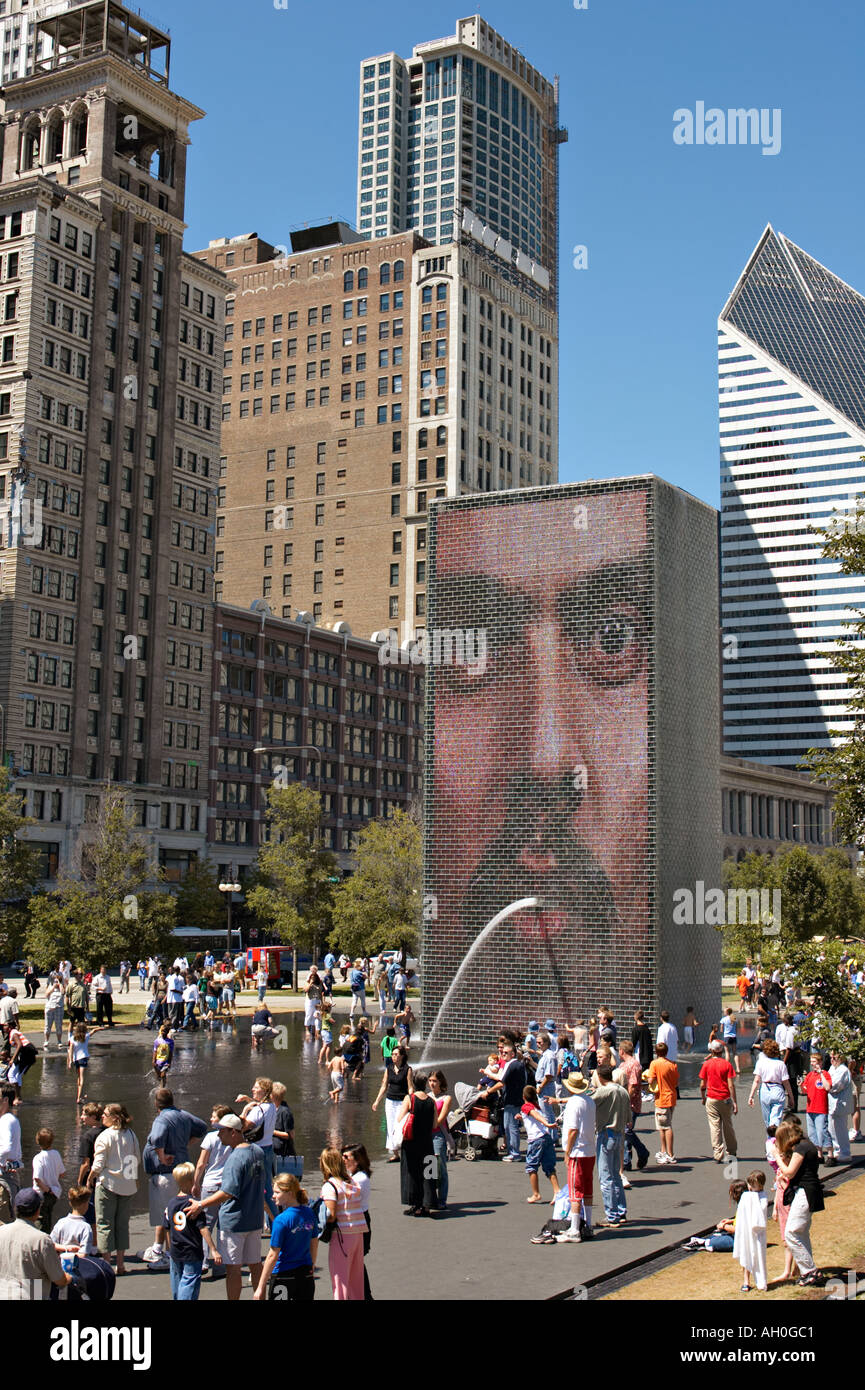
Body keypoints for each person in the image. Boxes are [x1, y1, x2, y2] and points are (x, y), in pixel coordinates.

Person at [186, 1112, 264, 1300]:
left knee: (233, 1269)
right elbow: (263, 1186)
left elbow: (228, 1191)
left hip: (234, 1222)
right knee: (255, 1264)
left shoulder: (235, 1158)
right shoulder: (259, 1152)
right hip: (254, 1219)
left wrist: (201, 1204)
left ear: (233, 1132)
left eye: (222, 1132)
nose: (219, 1135)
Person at [142, 1088, 208, 1270]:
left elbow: (156, 1138)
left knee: (168, 1215)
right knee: (175, 1212)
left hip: (166, 1172)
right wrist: (186, 1143)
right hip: (180, 1171)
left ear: (156, 1104)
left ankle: (170, 1256)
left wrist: (162, 1157)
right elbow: (202, 1127)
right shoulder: (183, 1114)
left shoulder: (162, 1118)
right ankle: (161, 1250)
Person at [88, 1102, 140, 1276]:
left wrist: (90, 1177)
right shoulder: (131, 1134)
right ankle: (121, 1264)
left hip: (107, 1184)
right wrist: (133, 1180)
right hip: (127, 1184)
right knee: (122, 1224)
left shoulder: (104, 1136)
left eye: (106, 1114)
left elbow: (98, 1163)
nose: (102, 1116)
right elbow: (135, 1159)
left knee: (104, 1223)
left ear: (115, 1118)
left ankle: (106, 1264)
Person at [774, 1116, 823, 1287]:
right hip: (809, 1191)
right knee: (801, 1232)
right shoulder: (805, 1144)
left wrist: (777, 1158)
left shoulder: (801, 1148)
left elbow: (789, 1172)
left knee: (791, 1233)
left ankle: (810, 1270)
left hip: (805, 1193)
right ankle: (806, 1271)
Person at [254, 1172, 317, 1301]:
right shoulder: (309, 1213)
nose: (273, 1196)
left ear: (289, 1193)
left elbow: (273, 1254)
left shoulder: (281, 1220)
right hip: (305, 1273)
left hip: (283, 1274)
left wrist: (260, 1286)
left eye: (277, 1192)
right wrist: (312, 1264)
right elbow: (314, 1242)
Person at [0, 1187, 71, 1299]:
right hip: (31, 1295)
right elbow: (58, 1279)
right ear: (38, 1211)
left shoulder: (1, 1231)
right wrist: (68, 1277)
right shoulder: (41, 1240)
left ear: (15, 1208)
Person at [164, 1161, 220, 1301]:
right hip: (192, 1251)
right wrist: (213, 1248)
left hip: (176, 1251)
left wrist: (169, 1248)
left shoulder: (170, 1204)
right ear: (191, 1181)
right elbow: (203, 1229)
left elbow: (167, 1227)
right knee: (189, 1282)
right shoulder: (194, 1205)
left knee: (177, 1283)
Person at [319, 1147, 366, 1300]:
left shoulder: (330, 1186)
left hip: (342, 1236)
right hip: (357, 1231)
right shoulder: (351, 1181)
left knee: (340, 1280)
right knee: (355, 1279)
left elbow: (331, 1215)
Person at [557, 1071, 596, 1243]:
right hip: (589, 1150)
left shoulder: (573, 1103)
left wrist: (567, 1151)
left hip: (577, 1152)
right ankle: (587, 1225)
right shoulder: (589, 1101)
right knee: (587, 1188)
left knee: (575, 1190)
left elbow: (573, 1130)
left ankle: (574, 1229)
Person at [591, 1063, 630, 1227]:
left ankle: (612, 1215)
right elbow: (629, 1118)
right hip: (619, 1134)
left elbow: (586, 1101)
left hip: (606, 1134)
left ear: (600, 1077)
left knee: (605, 1177)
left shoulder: (604, 1091)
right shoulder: (623, 1091)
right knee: (616, 1175)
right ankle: (620, 1211)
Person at [237, 1077, 278, 1223]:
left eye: (256, 1087)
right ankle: (274, 1222)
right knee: (267, 1187)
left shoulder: (256, 1110)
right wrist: (249, 1099)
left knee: (253, 1187)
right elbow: (261, 1108)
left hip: (256, 1151)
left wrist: (245, 1109)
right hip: (268, 1148)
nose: (253, 1089)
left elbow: (241, 1127)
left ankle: (262, 1221)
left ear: (264, 1091)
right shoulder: (271, 1106)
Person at [398, 1071, 438, 1217]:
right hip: (427, 1142)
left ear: (414, 1083)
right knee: (429, 1173)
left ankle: (416, 1205)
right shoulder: (431, 1101)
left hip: (411, 1142)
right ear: (426, 1083)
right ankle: (428, 1205)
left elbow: (400, 1119)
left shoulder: (409, 1099)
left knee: (412, 1173)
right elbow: (434, 1124)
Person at [341, 1143, 373, 1300]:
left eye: (346, 1156)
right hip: (358, 1220)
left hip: (359, 1222)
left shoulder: (358, 1180)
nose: (343, 1159)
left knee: (356, 1262)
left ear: (357, 1160)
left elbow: (343, 1197)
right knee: (357, 1262)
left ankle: (364, 1294)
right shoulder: (355, 1176)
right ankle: (362, 1294)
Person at [485, 1042, 527, 1161]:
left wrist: (488, 1092)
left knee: (510, 1127)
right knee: (511, 1126)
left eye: (506, 1052)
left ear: (513, 1054)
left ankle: (514, 1153)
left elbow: (501, 1082)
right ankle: (513, 1152)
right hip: (517, 1098)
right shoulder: (519, 1064)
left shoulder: (511, 1065)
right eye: (502, 1052)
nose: (502, 1054)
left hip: (511, 1100)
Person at [699, 1039, 738, 1163]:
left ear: (711, 1050)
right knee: (728, 1125)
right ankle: (731, 1151)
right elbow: (731, 1085)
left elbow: (702, 1084)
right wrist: (735, 1102)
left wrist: (703, 1097)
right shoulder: (727, 1064)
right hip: (725, 1097)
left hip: (712, 1097)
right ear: (721, 1050)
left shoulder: (707, 1064)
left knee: (715, 1126)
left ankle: (718, 1153)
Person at [520, 1084, 560, 1204]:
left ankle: (536, 1194)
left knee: (531, 1166)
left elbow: (534, 1116)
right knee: (549, 1166)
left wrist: (547, 1123)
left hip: (536, 1139)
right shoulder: (537, 1107)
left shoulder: (526, 1107)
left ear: (524, 1097)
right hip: (546, 1137)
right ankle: (557, 1190)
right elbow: (533, 1117)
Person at [682, 1180, 748, 1252]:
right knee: (717, 1237)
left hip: (741, 1240)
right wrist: (731, 1221)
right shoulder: (746, 1204)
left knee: (720, 1241)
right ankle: (706, 1242)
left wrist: (723, 1226)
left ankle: (704, 1243)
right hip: (741, 1237)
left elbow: (739, 1230)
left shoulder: (743, 1207)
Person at [614, 1040, 649, 1175]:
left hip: (631, 1103)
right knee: (625, 1131)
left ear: (622, 1051)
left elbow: (633, 1086)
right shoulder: (623, 1064)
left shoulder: (633, 1064)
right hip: (624, 1101)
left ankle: (642, 1151)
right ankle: (627, 1161)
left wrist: (625, 1101)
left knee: (626, 1130)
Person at [372, 1045, 412, 1160]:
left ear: (402, 1056)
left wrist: (411, 1100)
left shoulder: (407, 1069)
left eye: (396, 1054)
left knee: (401, 1125)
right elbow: (384, 1086)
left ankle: (405, 1149)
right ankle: (395, 1153)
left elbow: (410, 1087)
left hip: (402, 1101)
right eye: (392, 1054)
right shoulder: (389, 1068)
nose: (393, 1056)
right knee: (390, 1125)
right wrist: (377, 1101)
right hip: (390, 1101)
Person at [733, 1170, 768, 1292]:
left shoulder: (762, 1196)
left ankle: (761, 1281)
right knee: (745, 1253)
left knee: (759, 1255)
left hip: (757, 1233)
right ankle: (746, 1280)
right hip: (746, 1231)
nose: (751, 1187)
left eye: (754, 1185)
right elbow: (742, 1213)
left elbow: (760, 1214)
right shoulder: (746, 1196)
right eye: (750, 1184)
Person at [748, 1039, 794, 1129]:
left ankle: (770, 1139)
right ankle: (775, 1138)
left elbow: (756, 1080)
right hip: (777, 1089)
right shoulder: (781, 1064)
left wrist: (751, 1096)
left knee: (767, 1120)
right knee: (776, 1119)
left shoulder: (761, 1062)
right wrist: (791, 1097)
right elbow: (786, 1082)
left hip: (765, 1089)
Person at [647, 1041, 679, 1164]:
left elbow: (650, 1080)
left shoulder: (654, 1064)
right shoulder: (672, 1065)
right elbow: (676, 1082)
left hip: (661, 1098)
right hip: (671, 1097)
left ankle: (669, 1154)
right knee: (665, 1125)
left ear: (656, 1052)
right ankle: (664, 1150)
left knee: (665, 1127)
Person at [32, 1128, 65, 1234]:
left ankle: (40, 1244)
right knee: (48, 1218)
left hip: (42, 1193)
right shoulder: (56, 1154)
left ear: (37, 1141)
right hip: (54, 1193)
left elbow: (37, 1178)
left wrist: (47, 1189)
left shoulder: (38, 1158)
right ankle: (48, 1241)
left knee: (39, 1220)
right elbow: (62, 1173)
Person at [428, 1070, 452, 1210]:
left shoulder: (446, 1098)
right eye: (430, 1080)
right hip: (427, 1135)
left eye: (435, 1081)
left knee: (441, 1167)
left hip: (438, 1136)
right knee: (429, 1167)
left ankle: (442, 1199)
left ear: (440, 1082)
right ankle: (430, 1197)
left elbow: (439, 1121)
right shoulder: (426, 1096)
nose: (432, 1083)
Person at [66, 1022, 107, 1104]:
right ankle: (79, 1097)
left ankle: (80, 1095)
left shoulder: (73, 1038)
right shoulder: (86, 1036)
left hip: (76, 1059)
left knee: (79, 1077)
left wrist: (70, 1061)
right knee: (82, 1077)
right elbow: (94, 1031)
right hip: (83, 1058)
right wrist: (100, 1028)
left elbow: (70, 1051)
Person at [51, 1185, 96, 1256]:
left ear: (70, 1203)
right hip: (79, 1266)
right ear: (85, 1204)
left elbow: (51, 1244)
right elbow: (83, 1254)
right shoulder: (86, 1227)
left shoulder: (61, 1222)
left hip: (60, 1264)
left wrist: (65, 1248)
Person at [827, 1050, 853, 1163]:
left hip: (840, 1104)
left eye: (835, 1058)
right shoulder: (833, 1068)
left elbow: (833, 1086)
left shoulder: (843, 1070)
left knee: (840, 1129)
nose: (832, 1060)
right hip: (832, 1104)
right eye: (831, 1057)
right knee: (832, 1129)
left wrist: (825, 1084)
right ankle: (837, 1148)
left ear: (841, 1058)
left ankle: (845, 1152)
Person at [775, 1012, 801, 1113]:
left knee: (791, 1082)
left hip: (791, 1058)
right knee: (791, 1082)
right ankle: (791, 1104)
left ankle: (793, 1105)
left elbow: (789, 1048)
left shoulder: (791, 1031)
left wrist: (783, 1062)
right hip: (794, 1055)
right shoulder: (796, 1028)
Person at [271, 1083, 297, 1176]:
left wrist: (272, 1131)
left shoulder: (285, 1112)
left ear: (273, 1095)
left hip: (283, 1153)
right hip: (274, 1152)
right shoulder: (273, 1109)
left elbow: (290, 1135)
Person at [43, 976, 64, 1052]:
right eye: (55, 981)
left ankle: (59, 1041)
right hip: (49, 1008)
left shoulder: (61, 987)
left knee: (58, 1025)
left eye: (57, 981)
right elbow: (46, 994)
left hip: (59, 1008)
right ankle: (46, 1040)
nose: (56, 983)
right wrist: (53, 987)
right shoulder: (50, 987)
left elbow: (63, 992)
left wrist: (60, 984)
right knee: (47, 1025)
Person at [151, 1021, 174, 1085]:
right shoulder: (157, 1041)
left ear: (167, 1032)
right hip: (158, 1062)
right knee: (158, 1077)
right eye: (162, 1031)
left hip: (165, 1062)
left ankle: (162, 1088)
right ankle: (161, 1085)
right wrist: (153, 1061)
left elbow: (171, 1053)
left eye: (165, 1031)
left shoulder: (170, 1042)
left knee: (163, 1075)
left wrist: (169, 1062)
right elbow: (155, 1051)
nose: (163, 1032)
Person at [631, 1010, 653, 1075]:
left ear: (635, 1017)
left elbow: (633, 1043)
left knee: (639, 1072)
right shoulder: (647, 1028)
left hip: (639, 1054)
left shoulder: (636, 1029)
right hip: (648, 1055)